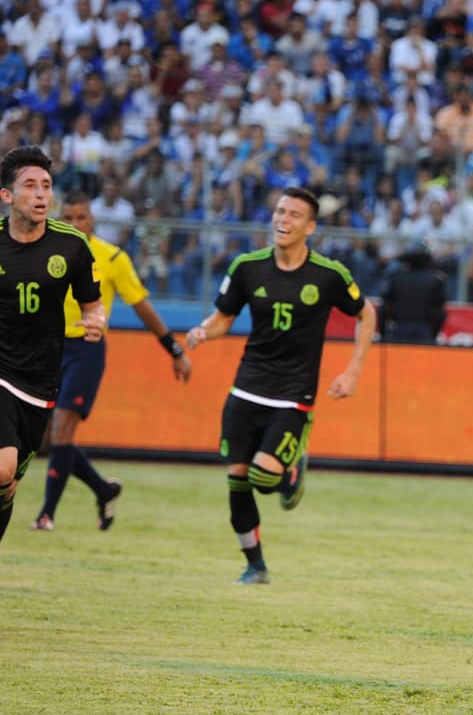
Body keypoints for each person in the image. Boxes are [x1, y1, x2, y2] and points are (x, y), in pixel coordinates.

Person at [185, 187, 376, 584]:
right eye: (279, 212)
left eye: (293, 215)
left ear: (311, 226)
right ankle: (255, 565)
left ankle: (290, 470)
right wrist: (204, 331)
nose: (282, 220)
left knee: (263, 478)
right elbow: (223, 318)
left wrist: (353, 371)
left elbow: (366, 313)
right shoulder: (247, 266)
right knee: (237, 478)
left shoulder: (328, 274)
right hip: (247, 387)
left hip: (293, 395)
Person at [32, 191, 193, 533]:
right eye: (69, 218)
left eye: (82, 217)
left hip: (86, 350)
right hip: (47, 349)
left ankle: (46, 515)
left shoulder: (111, 258)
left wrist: (174, 350)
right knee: (46, 437)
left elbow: (142, 306)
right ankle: (104, 490)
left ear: (92, 219)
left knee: (62, 426)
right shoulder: (44, 250)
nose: (76, 223)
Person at [0, 146, 104, 547]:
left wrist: (96, 323)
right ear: (7, 196)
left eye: (46, 185)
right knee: (2, 468)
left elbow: (93, 307)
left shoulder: (72, 246)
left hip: (41, 381)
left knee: (8, 486)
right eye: (30, 185)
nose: (42, 194)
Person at [380, 241, 448, 344]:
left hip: (399, 330)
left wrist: (384, 336)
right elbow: (440, 312)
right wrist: (433, 336)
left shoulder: (396, 277)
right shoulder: (435, 280)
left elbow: (385, 308)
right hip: (425, 331)